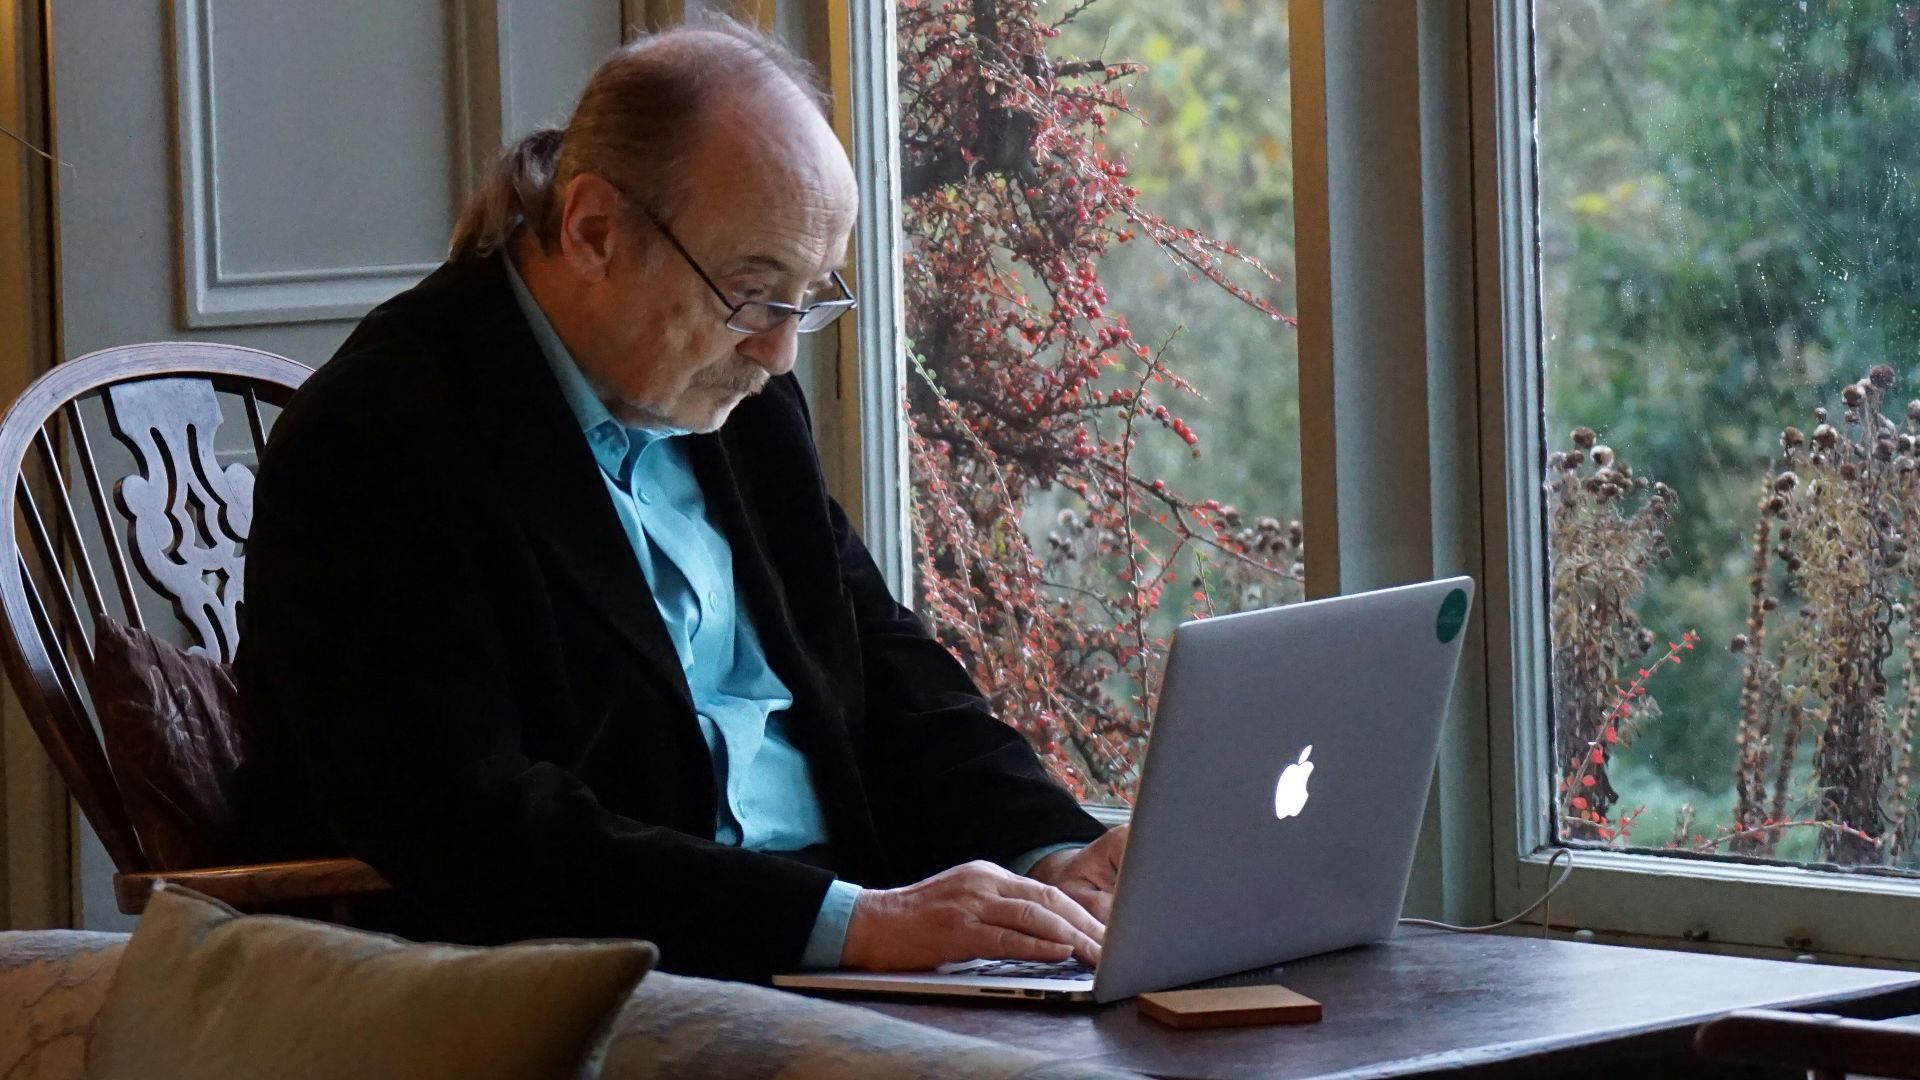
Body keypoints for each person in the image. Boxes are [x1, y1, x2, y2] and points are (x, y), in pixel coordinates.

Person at [233, 18, 1128, 983]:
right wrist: (852, 925)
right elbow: (475, 825)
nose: (781, 352)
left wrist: (1055, 850)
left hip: (840, 948)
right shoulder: (379, 439)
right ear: (593, 232)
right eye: (752, 293)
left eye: (806, 299)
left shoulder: (737, 396)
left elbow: (878, 660)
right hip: (609, 980)